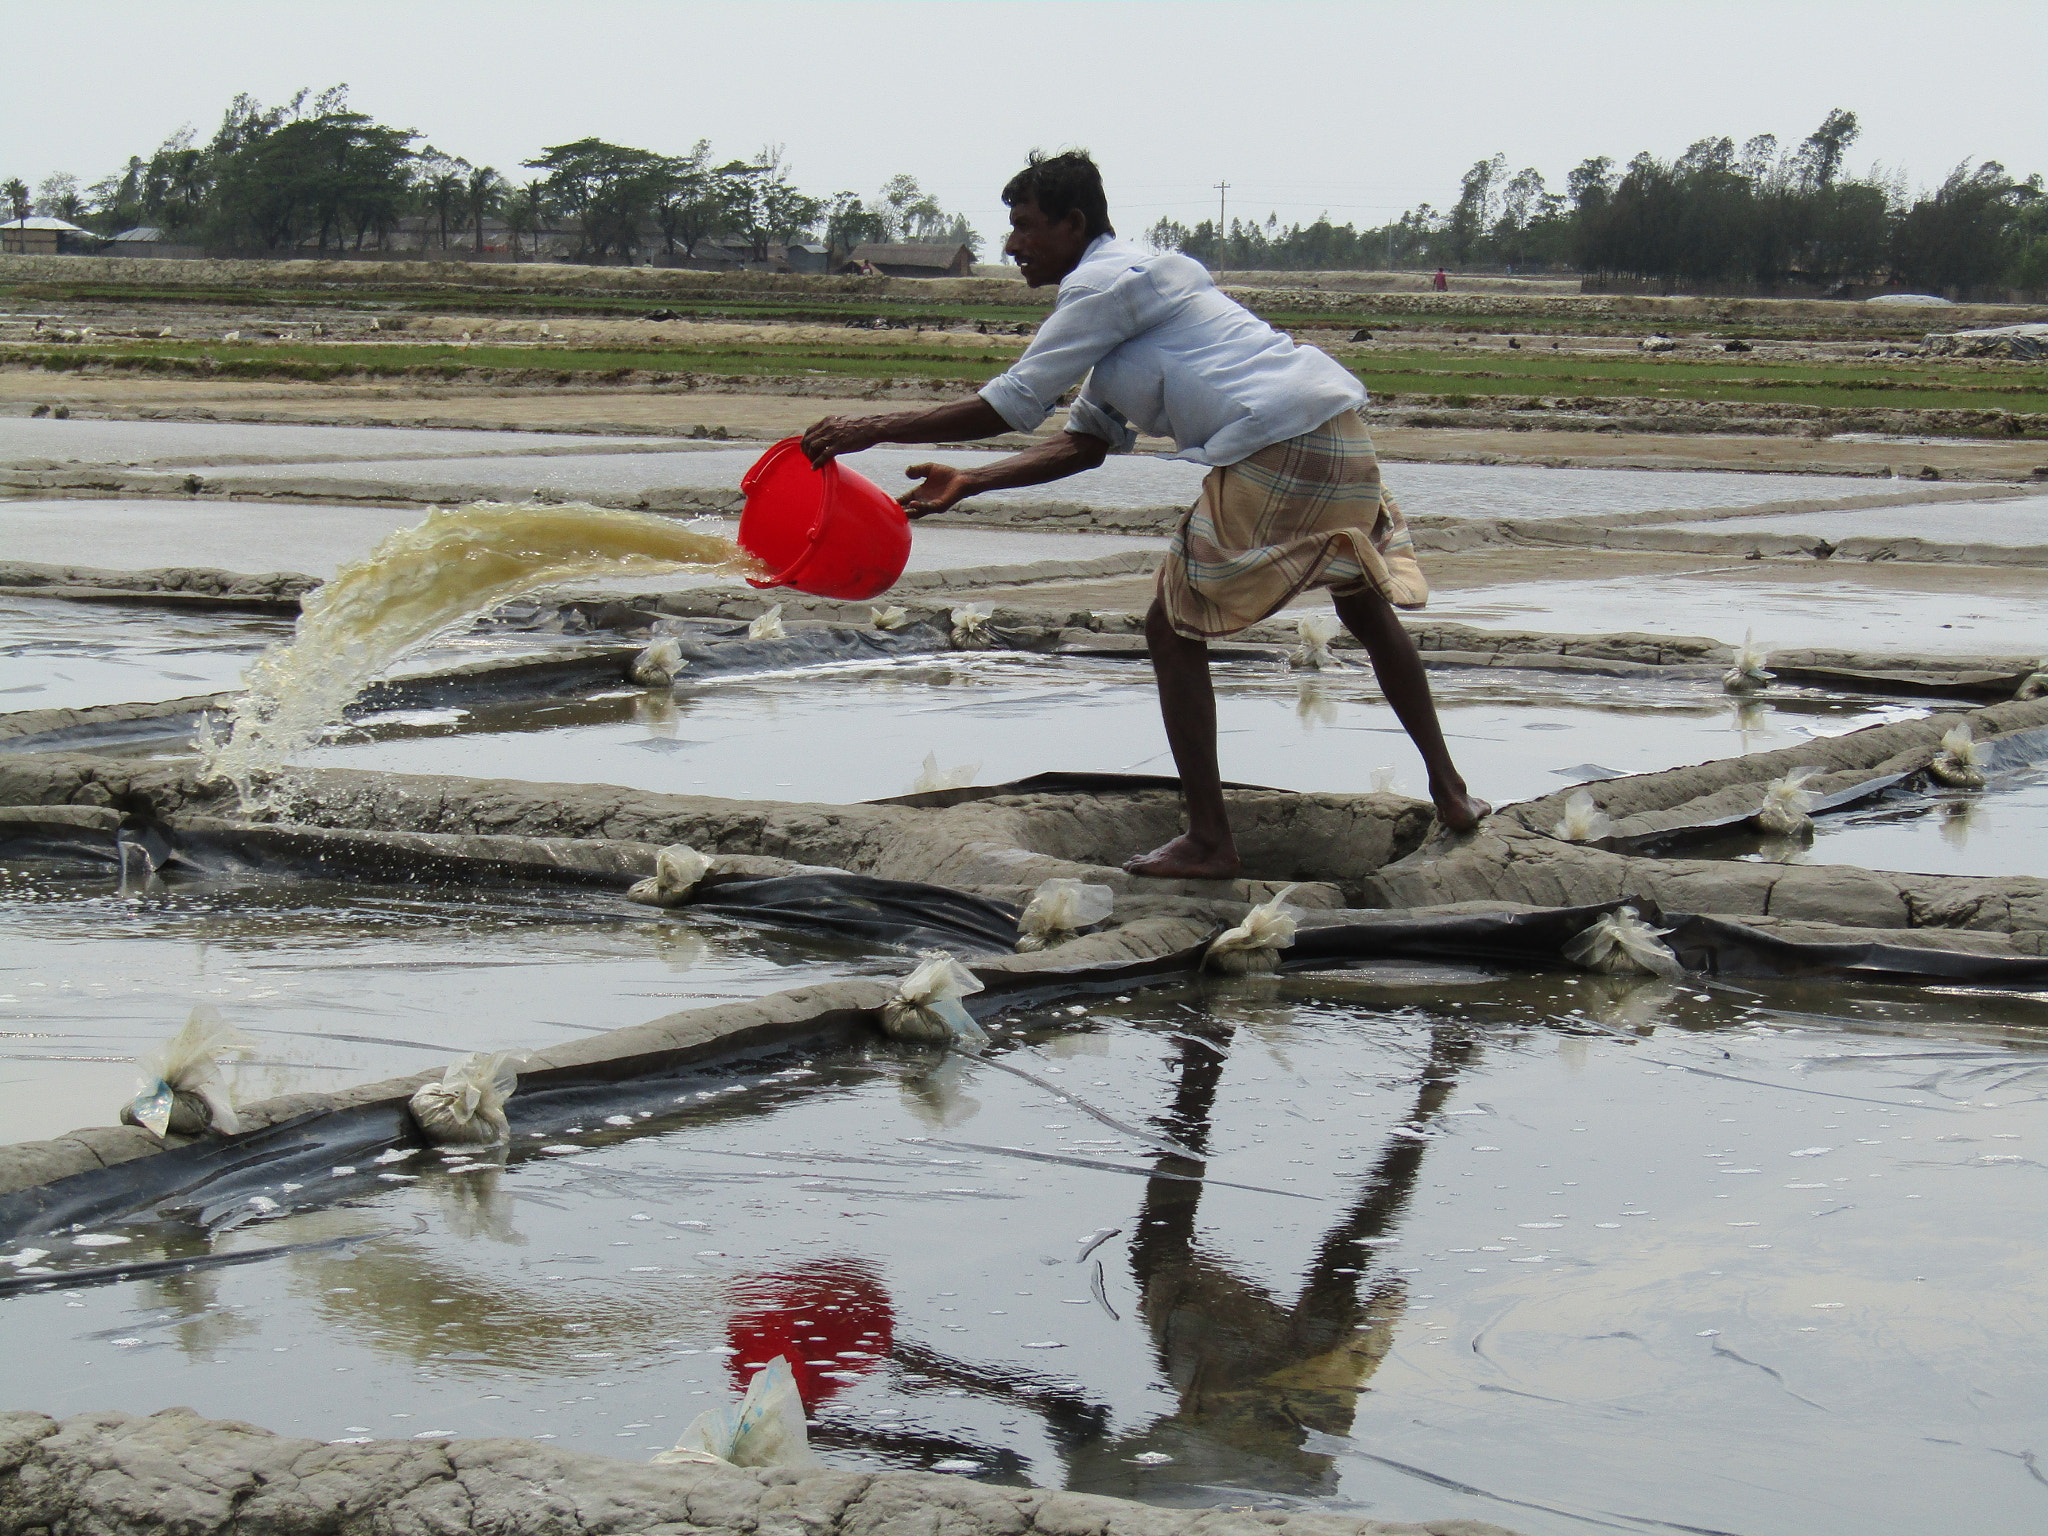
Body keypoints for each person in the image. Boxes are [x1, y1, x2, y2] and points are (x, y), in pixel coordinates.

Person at [800, 150, 1487, 879]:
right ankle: (1451, 791)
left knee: (1170, 625)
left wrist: (870, 428)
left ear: (1074, 223)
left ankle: (1211, 841)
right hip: (1339, 435)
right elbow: (1087, 442)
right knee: (1361, 604)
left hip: (1276, 441)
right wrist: (970, 482)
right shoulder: (1137, 297)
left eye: (1026, 227)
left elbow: (1010, 403)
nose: (1011, 245)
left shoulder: (1098, 286)